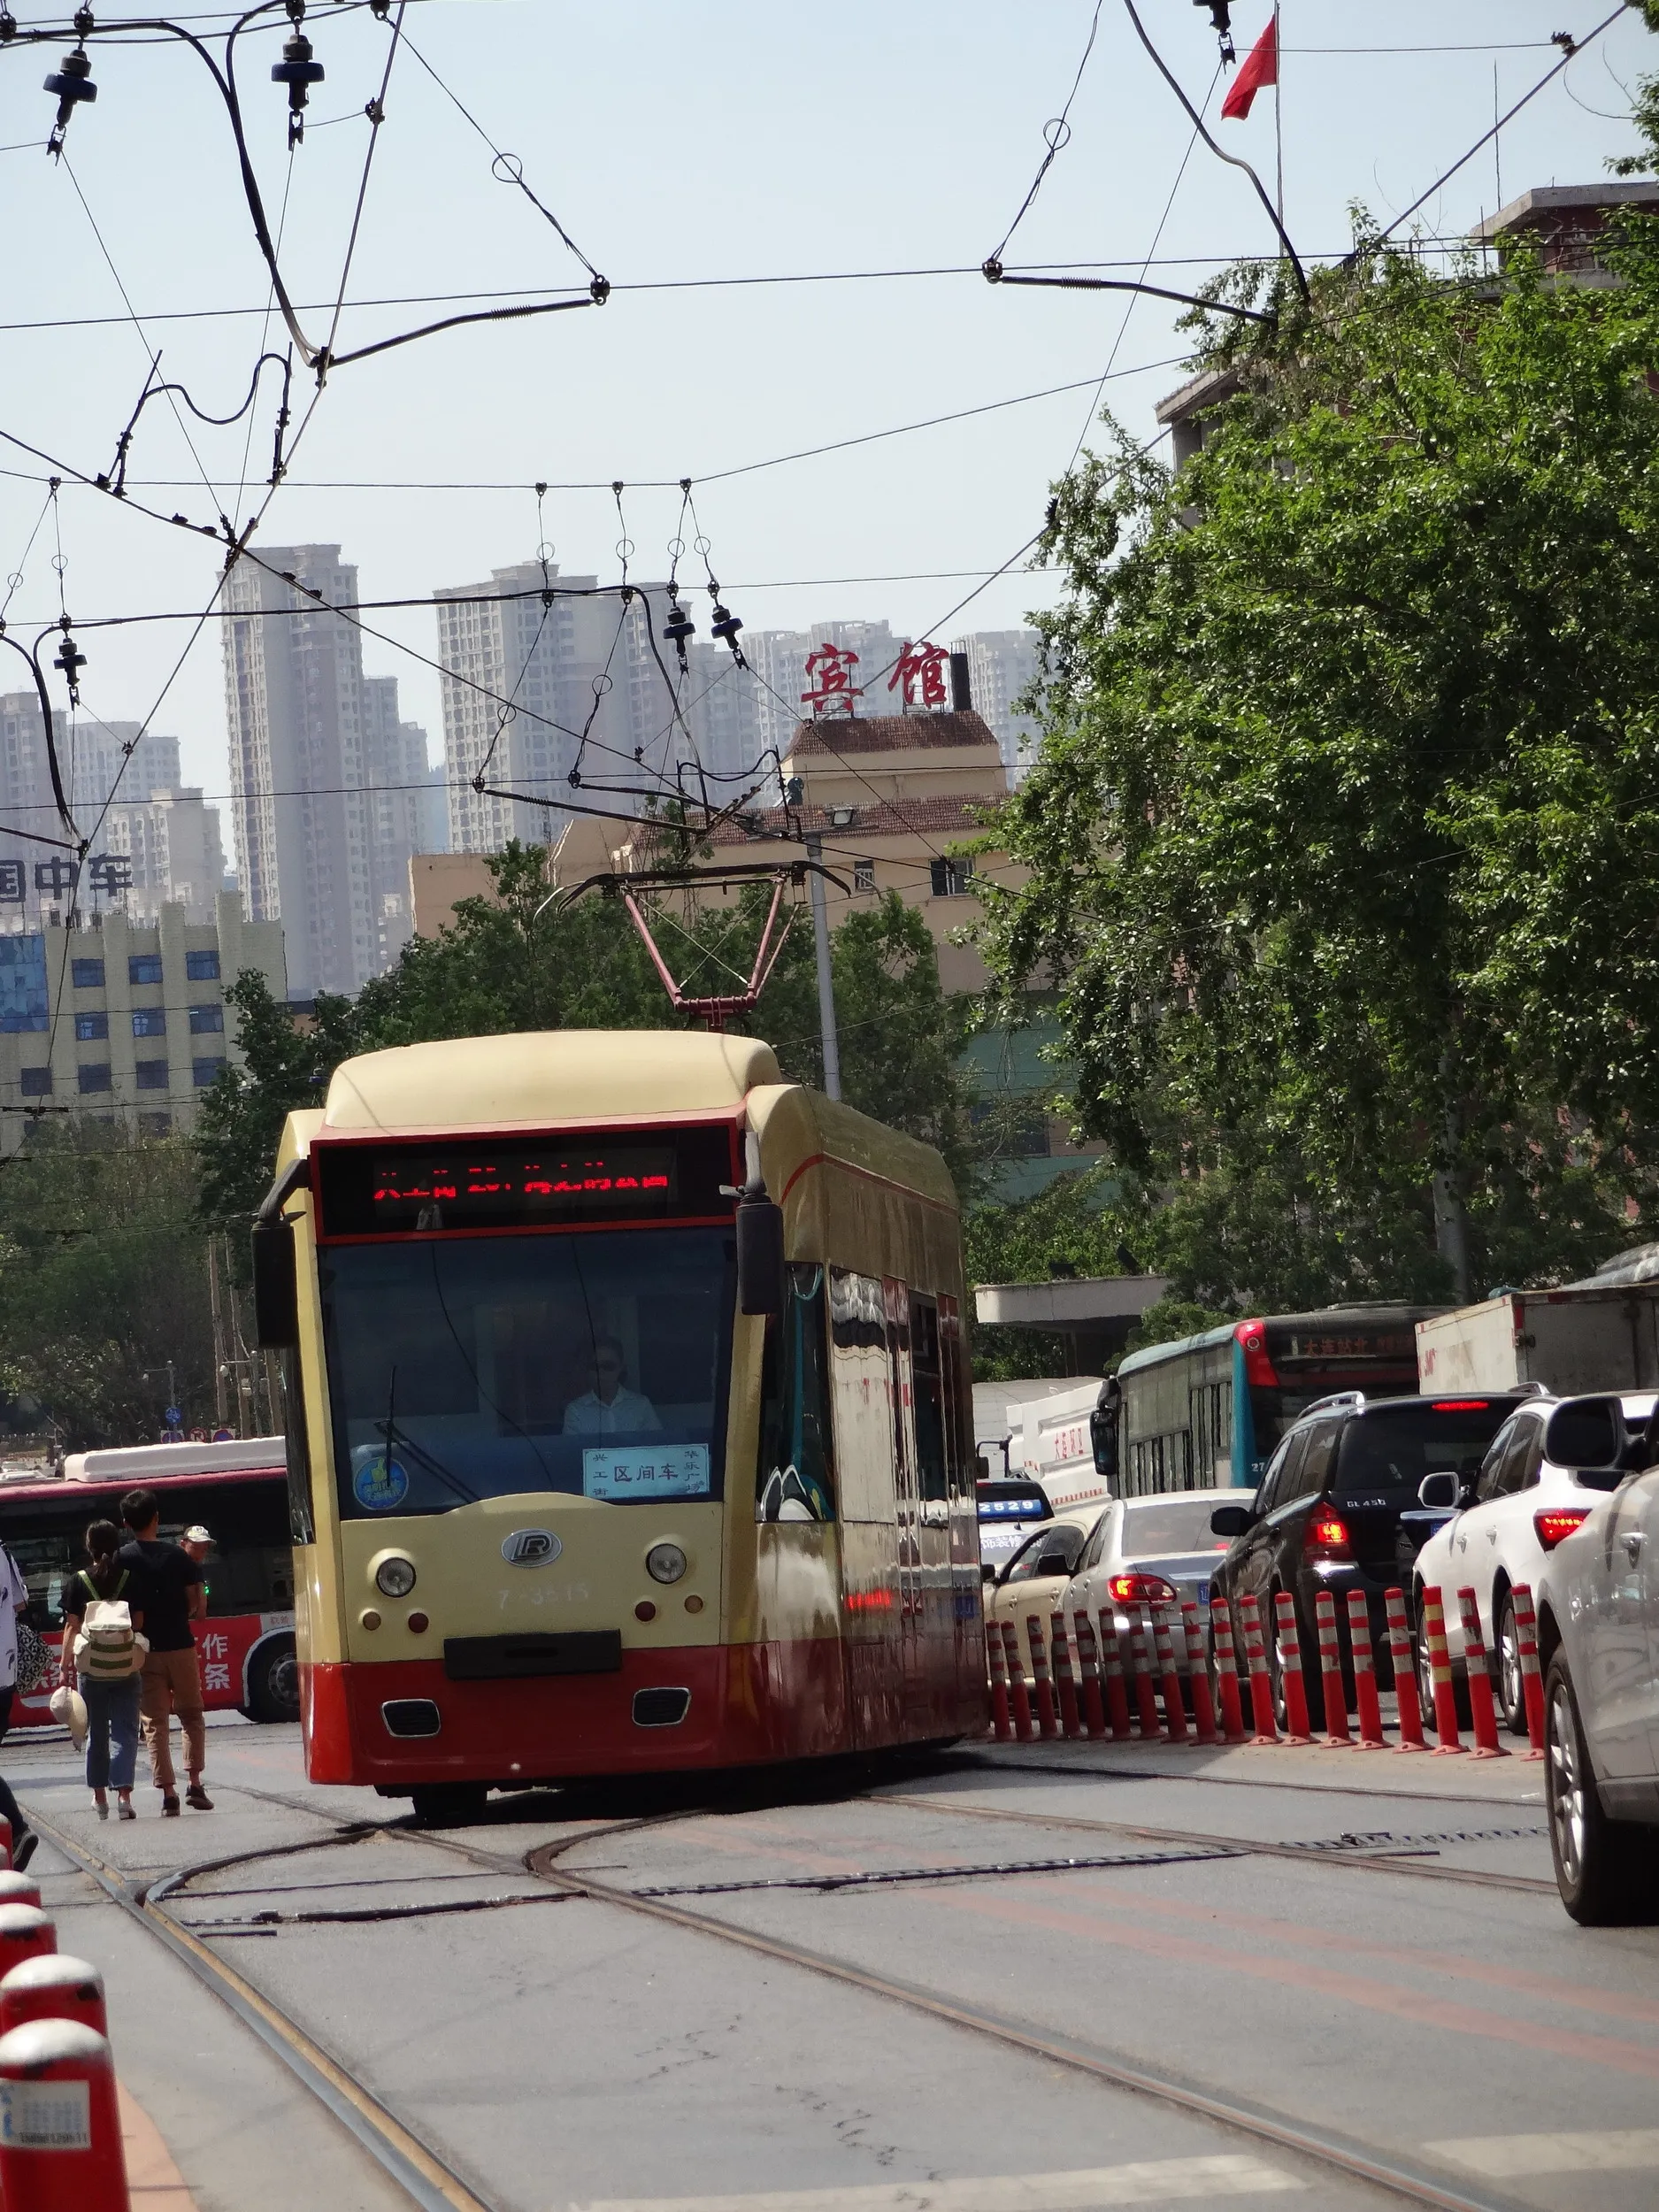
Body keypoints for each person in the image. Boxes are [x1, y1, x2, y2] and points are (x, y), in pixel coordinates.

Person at [117, 1488, 212, 1816]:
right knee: (191, 1714)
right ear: (157, 1518)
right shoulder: (179, 1557)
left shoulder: (122, 1559)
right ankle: (195, 1782)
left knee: (154, 1723)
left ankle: (168, 1793)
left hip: (144, 1650)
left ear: (126, 1523)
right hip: (181, 1645)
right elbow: (194, 1603)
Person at [59, 1520, 144, 1821]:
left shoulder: (78, 1581)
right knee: (125, 1731)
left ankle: (99, 1798)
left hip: (92, 1669)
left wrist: (64, 1666)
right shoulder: (129, 1579)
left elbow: (72, 1627)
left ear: (89, 1546)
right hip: (125, 1666)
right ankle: (124, 1798)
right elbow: (139, 1623)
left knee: (95, 1731)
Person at [0, 1541, 38, 1869]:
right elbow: (20, 1602)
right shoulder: (2, 1551)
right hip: (5, 1673)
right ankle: (16, 1831)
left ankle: (17, 1828)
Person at [562, 1336, 660, 1435]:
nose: (601, 1372)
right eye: (595, 1366)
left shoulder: (641, 1405)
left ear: (620, 1368)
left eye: (608, 1366)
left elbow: (657, 1442)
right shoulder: (576, 1411)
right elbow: (572, 1445)